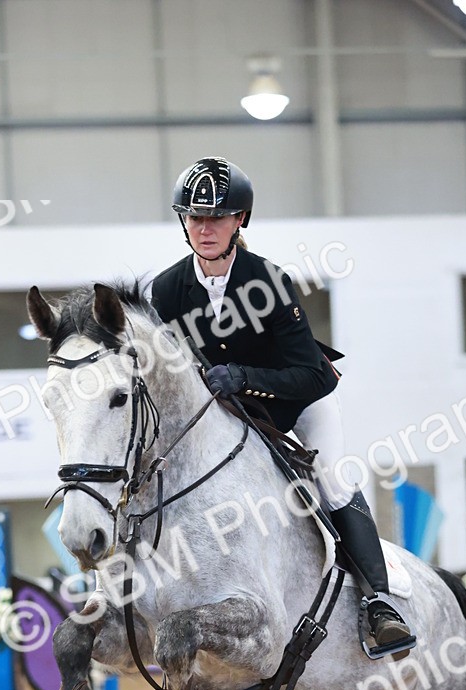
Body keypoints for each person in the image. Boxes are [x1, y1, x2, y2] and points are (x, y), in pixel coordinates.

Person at [149, 156, 415, 657]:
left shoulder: (268, 281)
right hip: (220, 418)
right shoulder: (165, 290)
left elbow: (313, 374)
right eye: (195, 217)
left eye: (217, 218)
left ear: (239, 222)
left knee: (333, 477)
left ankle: (380, 603)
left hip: (294, 408)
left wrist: (245, 376)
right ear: (183, 222)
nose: (205, 228)